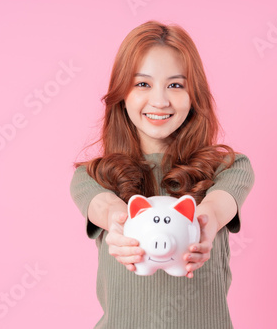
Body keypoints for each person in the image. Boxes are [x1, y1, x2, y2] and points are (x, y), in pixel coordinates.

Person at [70, 20, 255, 329]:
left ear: (194, 94)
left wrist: (202, 226)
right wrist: (120, 227)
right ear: (121, 93)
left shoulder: (228, 168)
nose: (160, 101)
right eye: (143, 84)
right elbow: (107, 209)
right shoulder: (93, 177)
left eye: (175, 84)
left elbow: (217, 207)